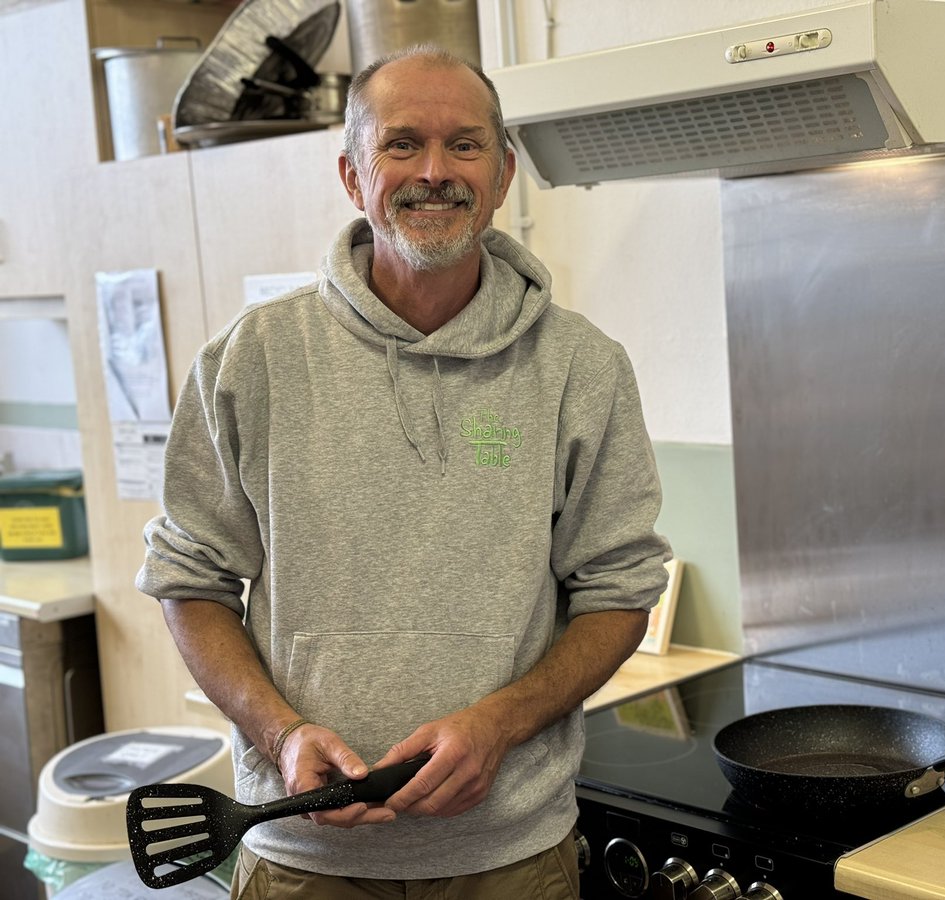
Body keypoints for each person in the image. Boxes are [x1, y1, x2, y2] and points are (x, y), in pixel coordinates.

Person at [135, 44, 671, 899]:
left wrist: (500, 723)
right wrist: (280, 736)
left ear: (503, 174)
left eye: (464, 145)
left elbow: (619, 591)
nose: (435, 172)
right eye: (401, 144)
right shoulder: (251, 360)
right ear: (352, 175)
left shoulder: (581, 367)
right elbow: (189, 580)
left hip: (513, 861)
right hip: (304, 864)